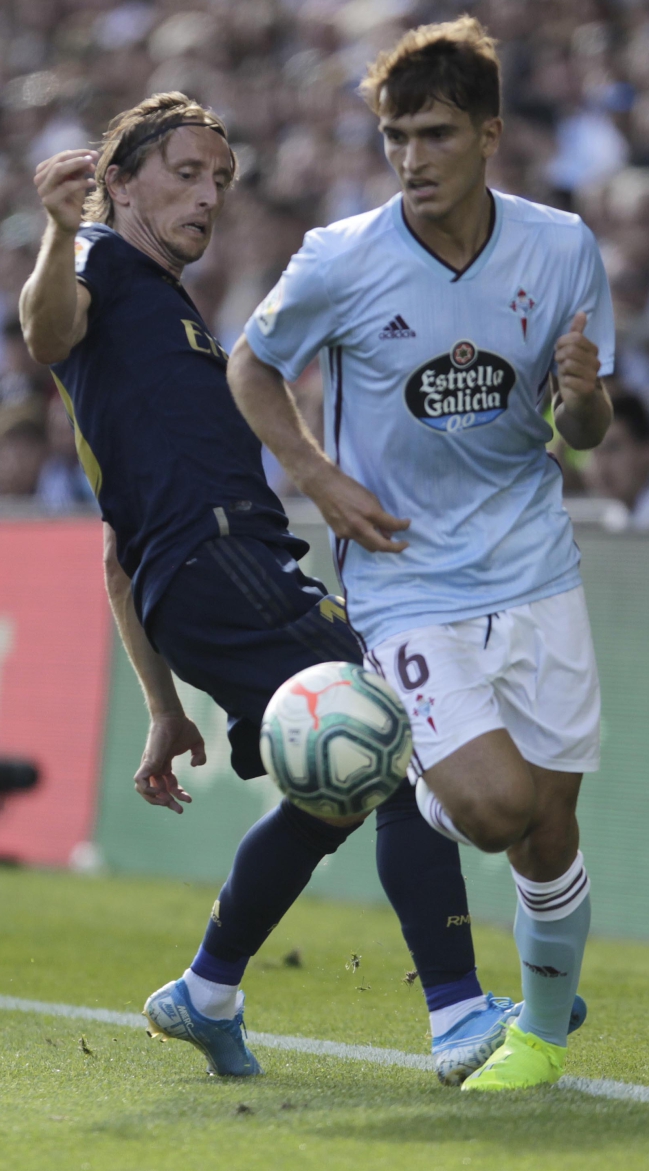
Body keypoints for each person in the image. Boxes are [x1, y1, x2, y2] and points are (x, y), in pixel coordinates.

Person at [20, 91, 522, 1087]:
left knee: (335, 789)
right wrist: (54, 226)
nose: (208, 196)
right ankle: (460, 1012)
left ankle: (206, 993)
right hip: (219, 562)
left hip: (206, 575)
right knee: (394, 731)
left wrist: (162, 706)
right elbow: (43, 331)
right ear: (119, 183)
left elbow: (120, 550)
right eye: (185, 173)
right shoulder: (98, 266)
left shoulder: (167, 312)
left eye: (220, 180)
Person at [228, 16, 613, 1092]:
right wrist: (318, 476)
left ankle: (536, 1037)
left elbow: (582, 433)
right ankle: (424, 762)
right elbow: (251, 369)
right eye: (395, 136)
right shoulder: (340, 258)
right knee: (492, 810)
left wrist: (582, 402)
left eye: (435, 134)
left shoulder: (561, 246)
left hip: (534, 562)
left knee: (548, 830)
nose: (411, 158)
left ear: (491, 134)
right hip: (406, 578)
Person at [585, 392, 649, 528]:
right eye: (596, 451)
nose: (601, 464)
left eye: (613, 448)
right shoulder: (613, 517)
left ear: (645, 451)